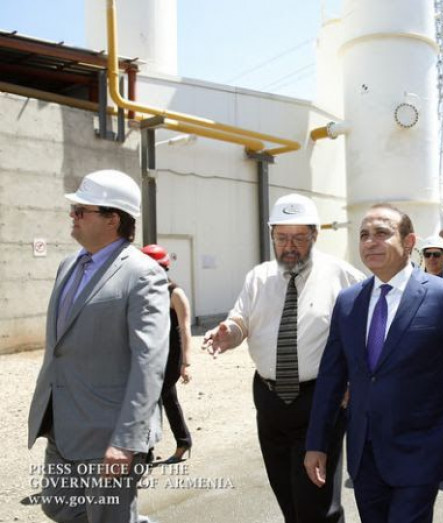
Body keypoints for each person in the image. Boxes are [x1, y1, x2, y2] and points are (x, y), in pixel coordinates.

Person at [305, 204, 443, 523]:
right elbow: (331, 377)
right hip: (364, 454)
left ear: (409, 242)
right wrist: (317, 443)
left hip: (419, 452)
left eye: (382, 233)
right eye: (364, 235)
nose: (370, 242)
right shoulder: (348, 302)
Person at [202, 194, 364, 523]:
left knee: (318, 506)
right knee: (287, 497)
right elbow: (241, 321)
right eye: (281, 237)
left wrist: (355, 380)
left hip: (320, 400)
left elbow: (369, 331)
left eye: (299, 238)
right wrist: (228, 333)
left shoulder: (343, 277)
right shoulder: (258, 278)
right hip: (269, 400)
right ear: (271, 236)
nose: (289, 247)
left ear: (315, 235)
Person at [28, 169, 170, 523]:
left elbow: (149, 362)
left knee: (109, 517)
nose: (72, 216)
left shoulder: (143, 274)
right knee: (58, 506)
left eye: (81, 211)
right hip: (63, 422)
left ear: (112, 220)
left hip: (109, 429)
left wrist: (126, 439)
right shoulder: (68, 265)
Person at [141, 244, 194, 464]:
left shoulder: (175, 293)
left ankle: (147, 450)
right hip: (151, 354)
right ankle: (181, 442)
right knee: (167, 399)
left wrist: (186, 363)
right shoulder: (144, 292)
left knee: (152, 398)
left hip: (171, 356)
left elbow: (185, 328)